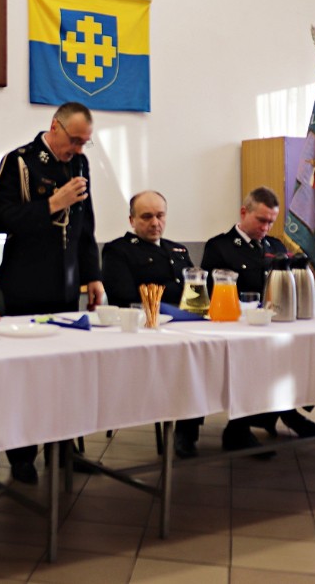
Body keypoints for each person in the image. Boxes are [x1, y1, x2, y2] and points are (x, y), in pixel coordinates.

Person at [0, 102, 104, 484]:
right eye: (74, 140)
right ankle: (21, 454)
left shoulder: (79, 164)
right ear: (54, 127)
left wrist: (93, 276)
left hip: (65, 287)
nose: (79, 149)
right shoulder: (20, 161)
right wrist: (53, 204)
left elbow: (85, 226)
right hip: (24, 286)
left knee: (65, 374)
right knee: (24, 377)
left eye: (85, 142)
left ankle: (62, 448)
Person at [201, 186, 315, 452]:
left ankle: (287, 411)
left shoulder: (276, 247)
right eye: (261, 220)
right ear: (244, 212)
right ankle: (238, 428)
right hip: (237, 329)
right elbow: (214, 295)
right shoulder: (219, 246)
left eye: (271, 221)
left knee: (296, 356)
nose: (266, 227)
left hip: (273, 326)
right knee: (253, 361)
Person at [101, 190, 203, 457]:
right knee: (187, 361)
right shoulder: (118, 250)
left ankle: (194, 427)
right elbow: (125, 296)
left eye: (160, 215)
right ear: (132, 220)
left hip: (184, 328)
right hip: (143, 332)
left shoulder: (177, 249)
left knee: (205, 355)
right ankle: (184, 431)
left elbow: (195, 293)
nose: (155, 222)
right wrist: (173, 296)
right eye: (146, 217)